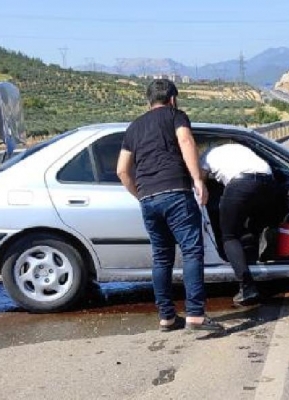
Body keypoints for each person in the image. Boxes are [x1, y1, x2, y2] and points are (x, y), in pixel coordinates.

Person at [116, 78, 223, 332]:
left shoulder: (134, 127)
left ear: (148, 101)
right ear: (173, 99)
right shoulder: (176, 116)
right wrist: (198, 180)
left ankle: (167, 317)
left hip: (148, 198)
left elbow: (121, 170)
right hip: (176, 191)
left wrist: (141, 195)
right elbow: (186, 142)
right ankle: (195, 315)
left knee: (161, 257)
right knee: (191, 251)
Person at [200, 142, 277, 306]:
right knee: (254, 221)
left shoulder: (206, 156)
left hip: (241, 184)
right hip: (268, 182)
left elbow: (200, 182)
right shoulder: (240, 148)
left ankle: (247, 287)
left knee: (229, 236)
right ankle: (261, 244)